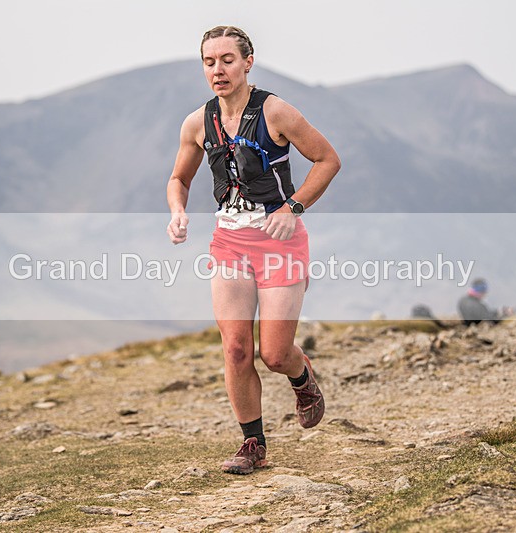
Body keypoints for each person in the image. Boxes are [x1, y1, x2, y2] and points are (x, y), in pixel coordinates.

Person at [166, 26, 341, 475]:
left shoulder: (275, 111)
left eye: (227, 60)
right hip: (230, 243)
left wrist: (292, 207)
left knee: (275, 354)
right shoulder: (197, 123)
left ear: (248, 62)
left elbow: (327, 160)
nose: (218, 70)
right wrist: (177, 211)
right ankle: (253, 444)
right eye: (209, 62)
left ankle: (302, 377)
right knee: (236, 350)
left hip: (280, 242)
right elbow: (179, 179)